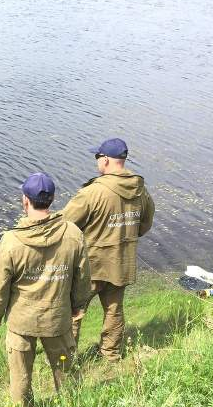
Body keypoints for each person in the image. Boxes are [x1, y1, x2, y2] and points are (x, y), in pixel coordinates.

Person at [0, 172, 92, 407]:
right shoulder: (73, 234)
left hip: (21, 322)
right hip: (57, 318)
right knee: (66, 372)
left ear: (25, 200)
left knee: (20, 377)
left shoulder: (11, 240)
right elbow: (83, 277)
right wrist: (78, 304)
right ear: (52, 200)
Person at [62, 138, 155, 363]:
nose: (97, 162)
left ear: (105, 160)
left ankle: (68, 358)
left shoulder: (92, 193)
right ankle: (111, 353)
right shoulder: (140, 190)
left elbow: (65, 226)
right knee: (114, 309)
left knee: (74, 311)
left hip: (91, 264)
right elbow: (145, 224)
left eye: (97, 157)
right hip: (122, 262)